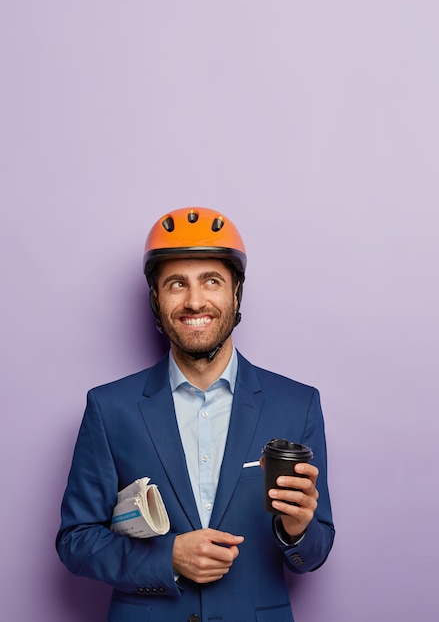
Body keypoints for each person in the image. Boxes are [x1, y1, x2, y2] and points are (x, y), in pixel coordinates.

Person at [56, 207, 334, 622]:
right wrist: (167, 557)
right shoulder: (109, 408)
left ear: (235, 294)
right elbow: (76, 541)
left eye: (212, 281)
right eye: (176, 284)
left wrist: (295, 530)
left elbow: (316, 551)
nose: (195, 300)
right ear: (156, 298)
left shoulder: (296, 404)